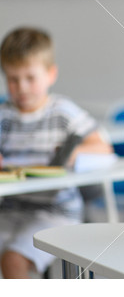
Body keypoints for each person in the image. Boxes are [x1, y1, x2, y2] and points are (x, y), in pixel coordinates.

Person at [0, 27, 113, 278]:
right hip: (10, 210)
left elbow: (102, 147)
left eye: (30, 78)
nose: (22, 87)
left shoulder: (62, 112)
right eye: (13, 79)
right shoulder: (4, 115)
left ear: (51, 74)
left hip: (55, 212)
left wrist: (72, 152)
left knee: (12, 260)